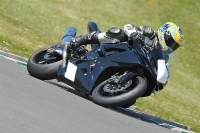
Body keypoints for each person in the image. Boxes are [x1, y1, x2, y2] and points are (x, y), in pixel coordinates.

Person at [69, 22, 184, 55]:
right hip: (120, 46)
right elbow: (128, 27)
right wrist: (135, 35)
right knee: (119, 33)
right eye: (171, 42)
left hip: (129, 60)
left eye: (174, 46)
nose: (171, 47)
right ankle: (81, 39)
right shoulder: (150, 33)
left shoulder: (162, 56)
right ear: (165, 34)